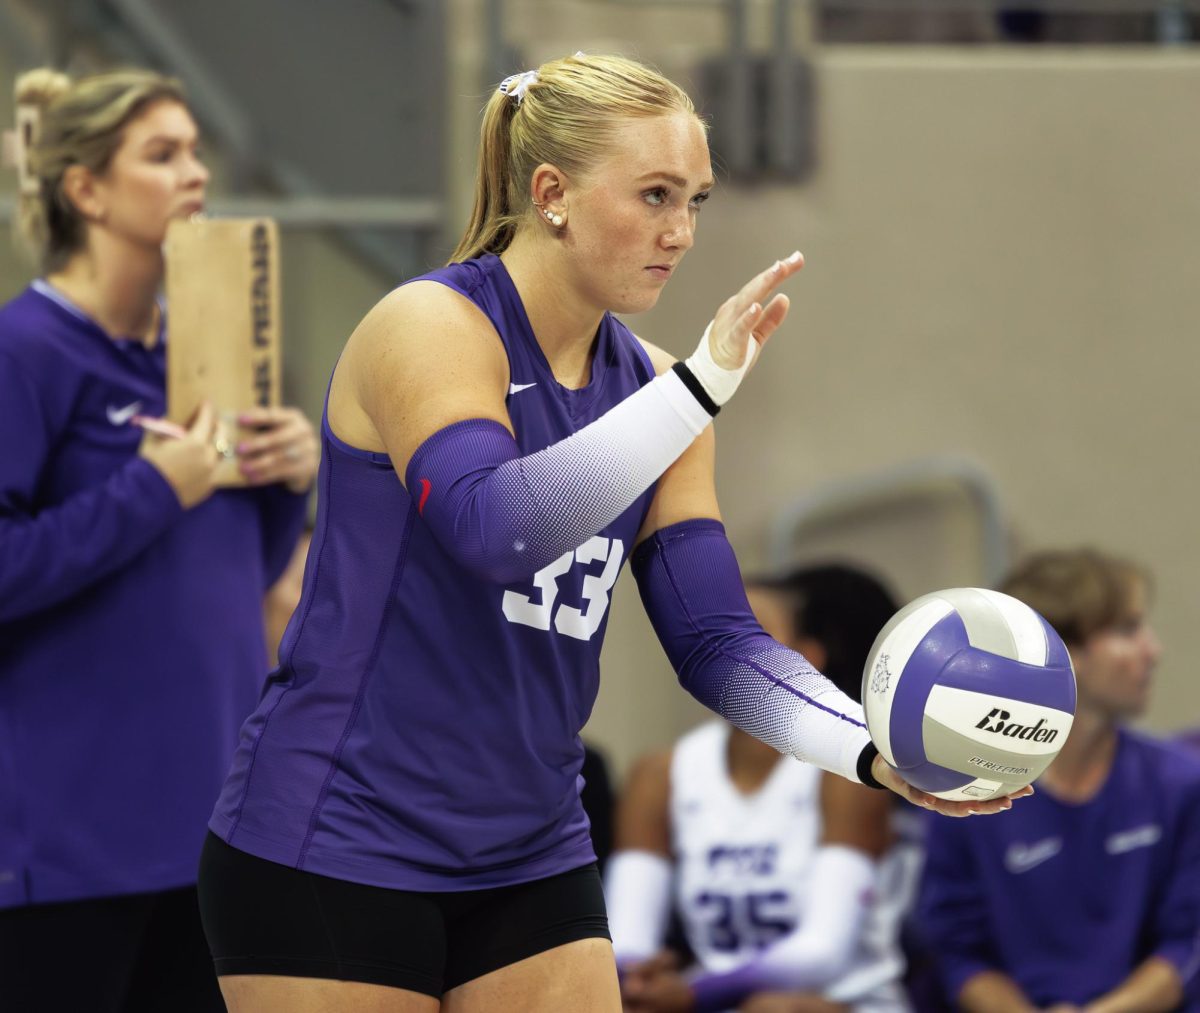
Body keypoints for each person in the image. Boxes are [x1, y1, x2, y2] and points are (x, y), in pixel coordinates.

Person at [196, 53, 1024, 1013]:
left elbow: (717, 643)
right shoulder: (430, 324)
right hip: (336, 836)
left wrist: (876, 752)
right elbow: (495, 528)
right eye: (656, 195)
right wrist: (695, 394)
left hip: (527, 847)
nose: (681, 232)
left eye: (698, 200)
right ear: (551, 193)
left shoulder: (661, 394)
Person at [0, 68, 317, 1011]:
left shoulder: (208, 348)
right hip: (68, 847)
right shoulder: (27, 350)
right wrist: (150, 488)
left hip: (208, 838)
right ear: (84, 190)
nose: (195, 172)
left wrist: (288, 484)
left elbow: (234, 579)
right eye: (163, 154)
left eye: (195, 150)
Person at [607, 564, 920, 1013]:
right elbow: (627, 935)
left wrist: (692, 993)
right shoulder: (660, 772)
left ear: (806, 659)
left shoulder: (849, 772)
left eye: (753, 633)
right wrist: (636, 982)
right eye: (717, 634)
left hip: (844, 1000)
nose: (729, 651)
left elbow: (823, 951)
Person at [916, 548, 1200, 1011]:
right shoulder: (964, 797)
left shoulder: (1181, 783)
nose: (1154, 650)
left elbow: (1189, 946)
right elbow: (958, 953)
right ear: (1062, 654)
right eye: (1129, 630)